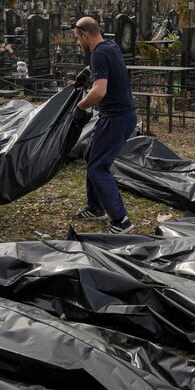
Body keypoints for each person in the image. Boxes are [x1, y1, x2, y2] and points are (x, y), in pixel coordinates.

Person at [70, 16, 137, 234]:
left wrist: (80, 106)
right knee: (91, 155)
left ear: (85, 34)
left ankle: (121, 221)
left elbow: (99, 91)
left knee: (98, 167)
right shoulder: (110, 45)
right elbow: (104, 66)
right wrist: (87, 72)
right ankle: (96, 207)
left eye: (77, 38)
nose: (78, 43)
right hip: (123, 115)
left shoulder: (98, 53)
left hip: (116, 118)